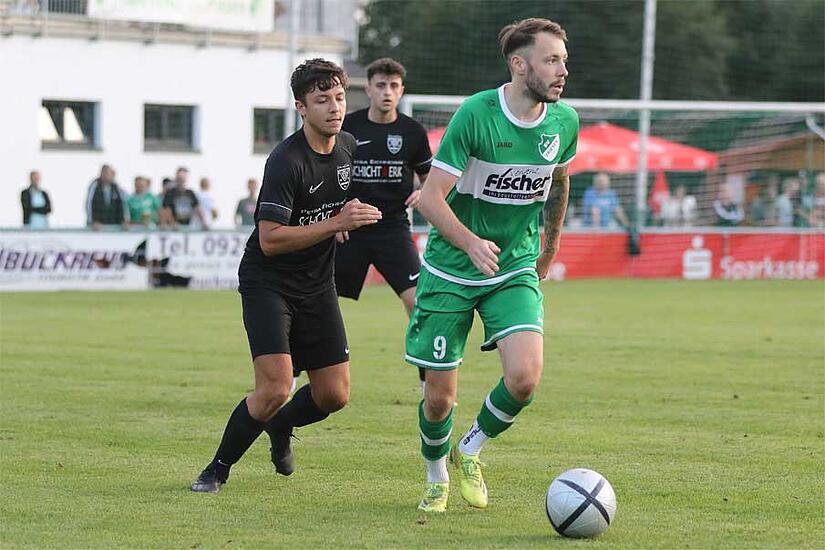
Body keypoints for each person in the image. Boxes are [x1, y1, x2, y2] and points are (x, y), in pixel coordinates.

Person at [406, 18, 578, 513]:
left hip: (515, 266)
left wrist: (549, 247)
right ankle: (436, 472)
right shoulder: (476, 115)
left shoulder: (565, 121)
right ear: (519, 64)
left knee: (525, 377)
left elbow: (560, 181)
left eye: (564, 60)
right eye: (552, 60)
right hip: (451, 270)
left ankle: (470, 448)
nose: (562, 70)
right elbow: (430, 200)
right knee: (439, 399)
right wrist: (470, 242)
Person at [191, 58, 382, 493]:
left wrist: (339, 222)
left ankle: (281, 427)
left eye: (338, 98)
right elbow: (271, 238)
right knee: (276, 386)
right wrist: (333, 225)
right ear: (301, 107)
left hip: (316, 285)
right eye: (321, 100)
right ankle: (217, 469)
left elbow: (331, 200)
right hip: (268, 283)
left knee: (335, 395)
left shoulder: (348, 146)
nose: (334, 107)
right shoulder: (285, 161)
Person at [336, 57, 433, 390]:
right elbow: (326, 174)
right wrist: (334, 216)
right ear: (369, 89)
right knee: (312, 300)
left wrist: (424, 192)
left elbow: (432, 180)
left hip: (392, 229)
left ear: (402, 90)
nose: (387, 92)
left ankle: (426, 383)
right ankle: (291, 376)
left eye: (394, 86)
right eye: (381, 85)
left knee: (418, 303)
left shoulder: (412, 132)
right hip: (348, 229)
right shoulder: (347, 128)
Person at [85, 164, 129, 229]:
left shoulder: (116, 187)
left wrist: (124, 220)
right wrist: (92, 222)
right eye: (110, 174)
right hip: (98, 226)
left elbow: (123, 203)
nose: (113, 176)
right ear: (102, 173)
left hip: (114, 225)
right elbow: (89, 204)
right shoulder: (95, 186)